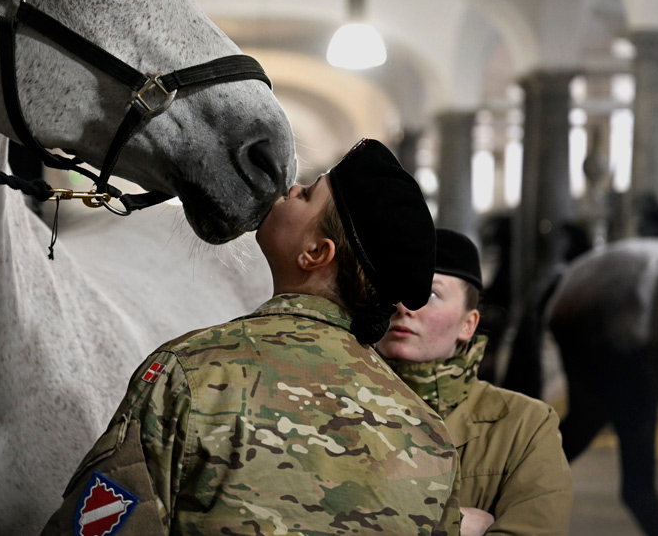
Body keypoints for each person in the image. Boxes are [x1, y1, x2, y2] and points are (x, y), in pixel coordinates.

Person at [40, 139, 462, 536]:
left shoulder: (193, 373)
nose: (293, 189)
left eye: (309, 194)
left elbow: (100, 523)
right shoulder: (430, 436)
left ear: (316, 254)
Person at [378, 228, 573, 536]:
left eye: (430, 294)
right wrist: (450, 525)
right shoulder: (333, 408)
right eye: (396, 289)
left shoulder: (524, 427)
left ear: (468, 325)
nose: (404, 306)